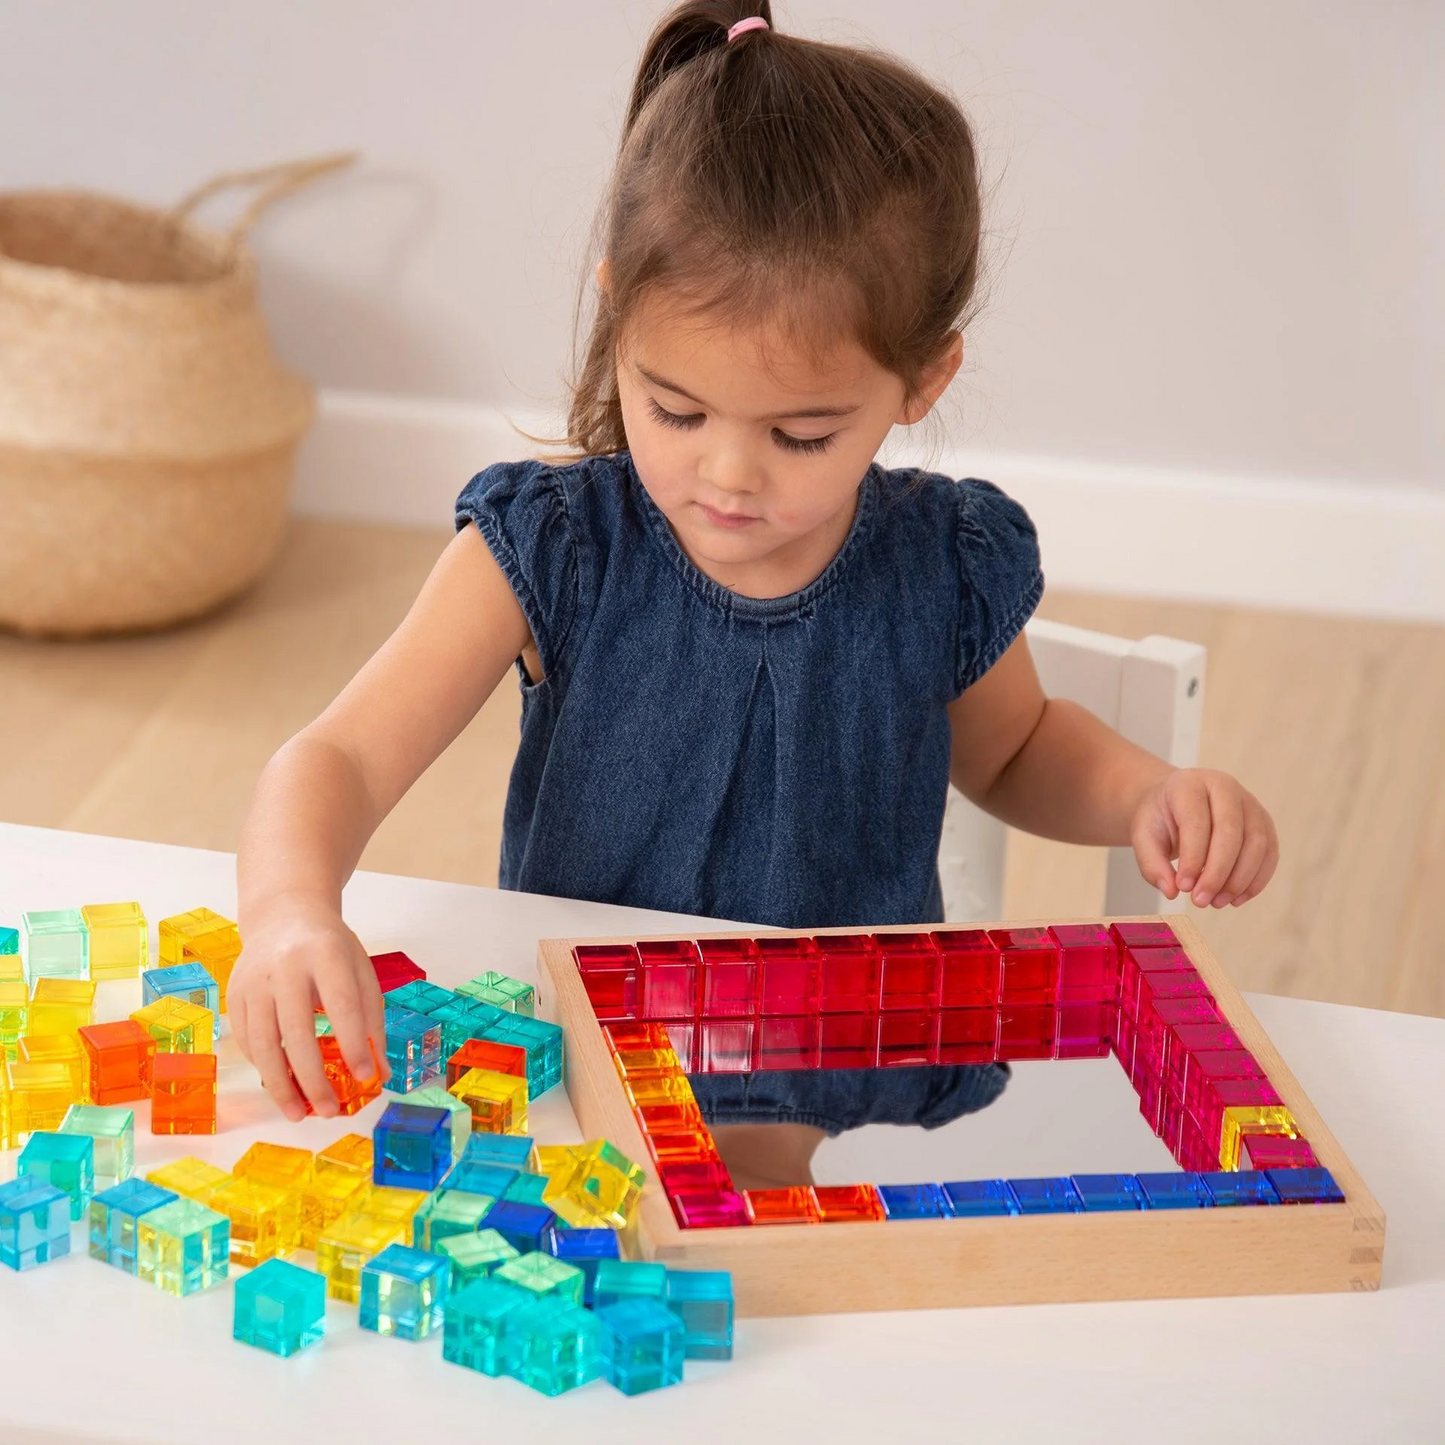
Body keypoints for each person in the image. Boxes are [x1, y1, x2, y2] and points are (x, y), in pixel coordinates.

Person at [229, 3, 1278, 1189]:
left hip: (836, 1064)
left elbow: (1020, 745)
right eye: (674, 410)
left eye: (798, 432)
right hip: (583, 1047)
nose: (724, 474)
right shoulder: (557, 545)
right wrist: (286, 907)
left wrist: (1150, 792)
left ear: (921, 378)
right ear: (616, 306)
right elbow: (341, 760)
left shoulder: (937, 560)